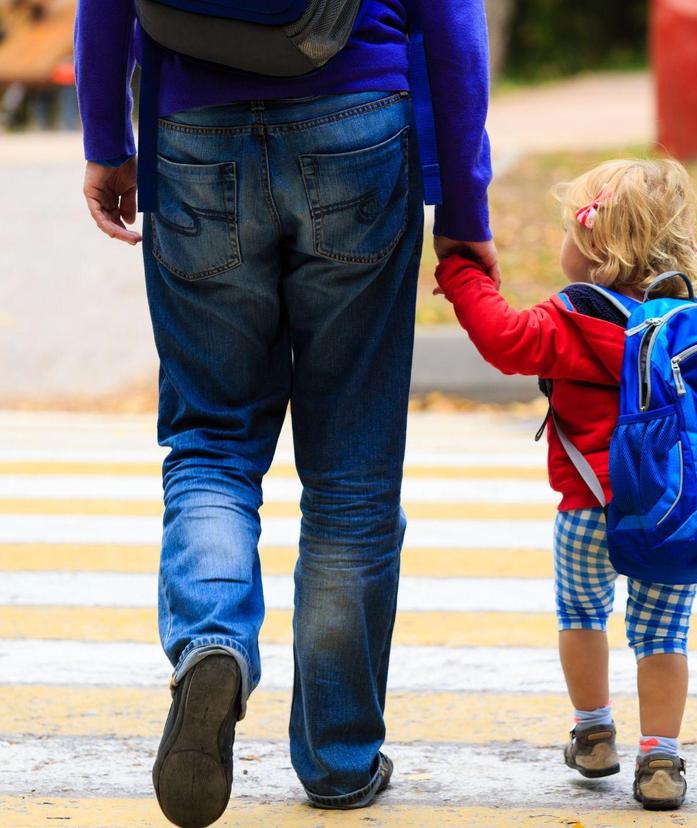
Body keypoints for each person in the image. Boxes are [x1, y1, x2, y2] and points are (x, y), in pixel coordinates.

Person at [74, 2, 496, 826]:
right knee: (352, 468)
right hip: (357, 123)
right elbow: (452, 22)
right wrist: (463, 206)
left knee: (211, 438)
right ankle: (338, 760)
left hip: (192, 128)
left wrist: (106, 140)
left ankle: (212, 643)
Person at [434, 158, 697, 811]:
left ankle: (593, 730)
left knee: (581, 615)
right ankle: (661, 758)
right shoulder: (689, 324)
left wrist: (461, 274)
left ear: (593, 245)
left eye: (568, 228)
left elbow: (506, 340)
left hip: (589, 509)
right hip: (673, 514)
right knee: (664, 636)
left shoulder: (577, 316)